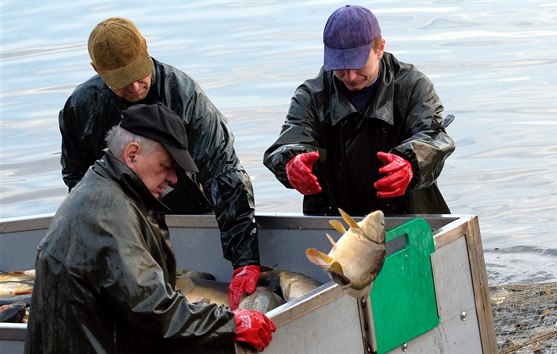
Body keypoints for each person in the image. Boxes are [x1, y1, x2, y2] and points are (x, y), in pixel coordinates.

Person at [25, 103, 276, 353]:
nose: (174, 179)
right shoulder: (107, 212)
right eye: (165, 166)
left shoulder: (108, 189)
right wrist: (231, 323)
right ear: (132, 154)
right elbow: (149, 305)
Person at [59, 17, 260, 309]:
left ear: (146, 47)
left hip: (191, 208)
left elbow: (224, 171)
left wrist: (245, 258)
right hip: (127, 218)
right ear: (97, 71)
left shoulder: (185, 96)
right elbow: (78, 182)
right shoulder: (80, 108)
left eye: (140, 74)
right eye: (123, 83)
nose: (137, 86)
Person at [263, 5, 455, 216]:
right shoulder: (310, 95)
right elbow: (290, 139)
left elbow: (434, 137)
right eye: (340, 66)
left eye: (358, 64)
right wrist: (291, 162)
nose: (350, 76)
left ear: (380, 48)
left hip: (408, 216)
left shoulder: (413, 86)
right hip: (334, 221)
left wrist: (411, 163)